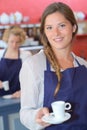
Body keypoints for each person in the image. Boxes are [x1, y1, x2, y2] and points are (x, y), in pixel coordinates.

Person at [19, 2, 87, 130]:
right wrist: (36, 116)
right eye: (49, 27)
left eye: (61, 26)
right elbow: (25, 113)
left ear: (73, 27)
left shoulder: (83, 65)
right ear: (44, 32)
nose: (56, 33)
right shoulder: (33, 65)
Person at [0, 25, 32, 98]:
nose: (14, 45)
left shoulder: (26, 55)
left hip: (19, 97)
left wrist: (23, 92)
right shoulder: (0, 55)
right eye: (11, 42)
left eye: (17, 42)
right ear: (6, 40)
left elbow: (31, 79)